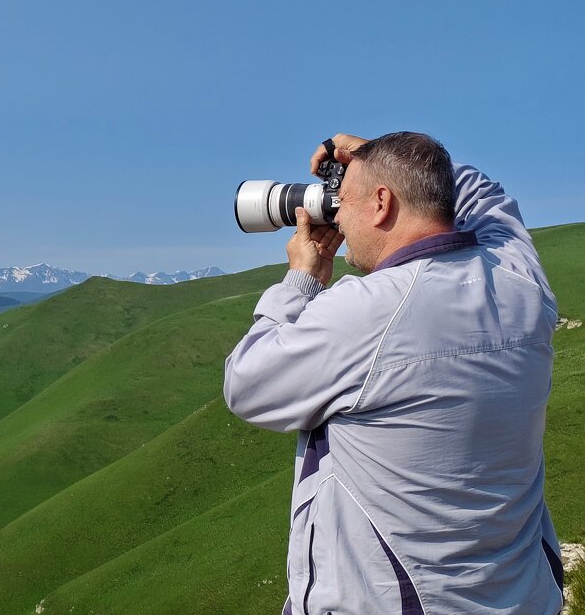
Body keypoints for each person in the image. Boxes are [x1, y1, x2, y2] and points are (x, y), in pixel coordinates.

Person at [223, 132, 563, 614]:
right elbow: (486, 195)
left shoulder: (368, 310)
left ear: (382, 202)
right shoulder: (517, 278)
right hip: (520, 597)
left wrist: (302, 281)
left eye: (343, 199)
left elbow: (246, 384)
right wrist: (397, 163)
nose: (337, 215)